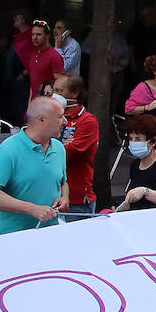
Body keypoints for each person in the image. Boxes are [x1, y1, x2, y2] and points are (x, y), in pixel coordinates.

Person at [0, 96, 69, 235]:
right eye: (60, 117)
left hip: (53, 233)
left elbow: (62, 182)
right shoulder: (8, 150)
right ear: (42, 119)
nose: (65, 122)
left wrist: (65, 197)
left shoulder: (58, 147)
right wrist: (32, 209)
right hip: (15, 237)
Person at [51, 73, 99, 213]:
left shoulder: (87, 121)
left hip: (76, 200)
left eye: (59, 91)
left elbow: (68, 153)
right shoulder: (51, 117)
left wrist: (50, 144)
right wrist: (62, 144)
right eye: (54, 91)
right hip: (51, 196)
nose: (55, 95)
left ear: (74, 93)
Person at [124, 54, 156, 155]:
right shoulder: (142, 88)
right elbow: (129, 109)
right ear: (155, 72)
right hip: (152, 132)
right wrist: (147, 107)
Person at [17, 19, 65, 105]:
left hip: (47, 106)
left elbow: (60, 86)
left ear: (47, 36)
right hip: (34, 104)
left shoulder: (54, 56)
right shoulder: (33, 55)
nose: (35, 37)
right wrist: (29, 105)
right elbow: (32, 84)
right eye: (33, 34)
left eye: (39, 34)